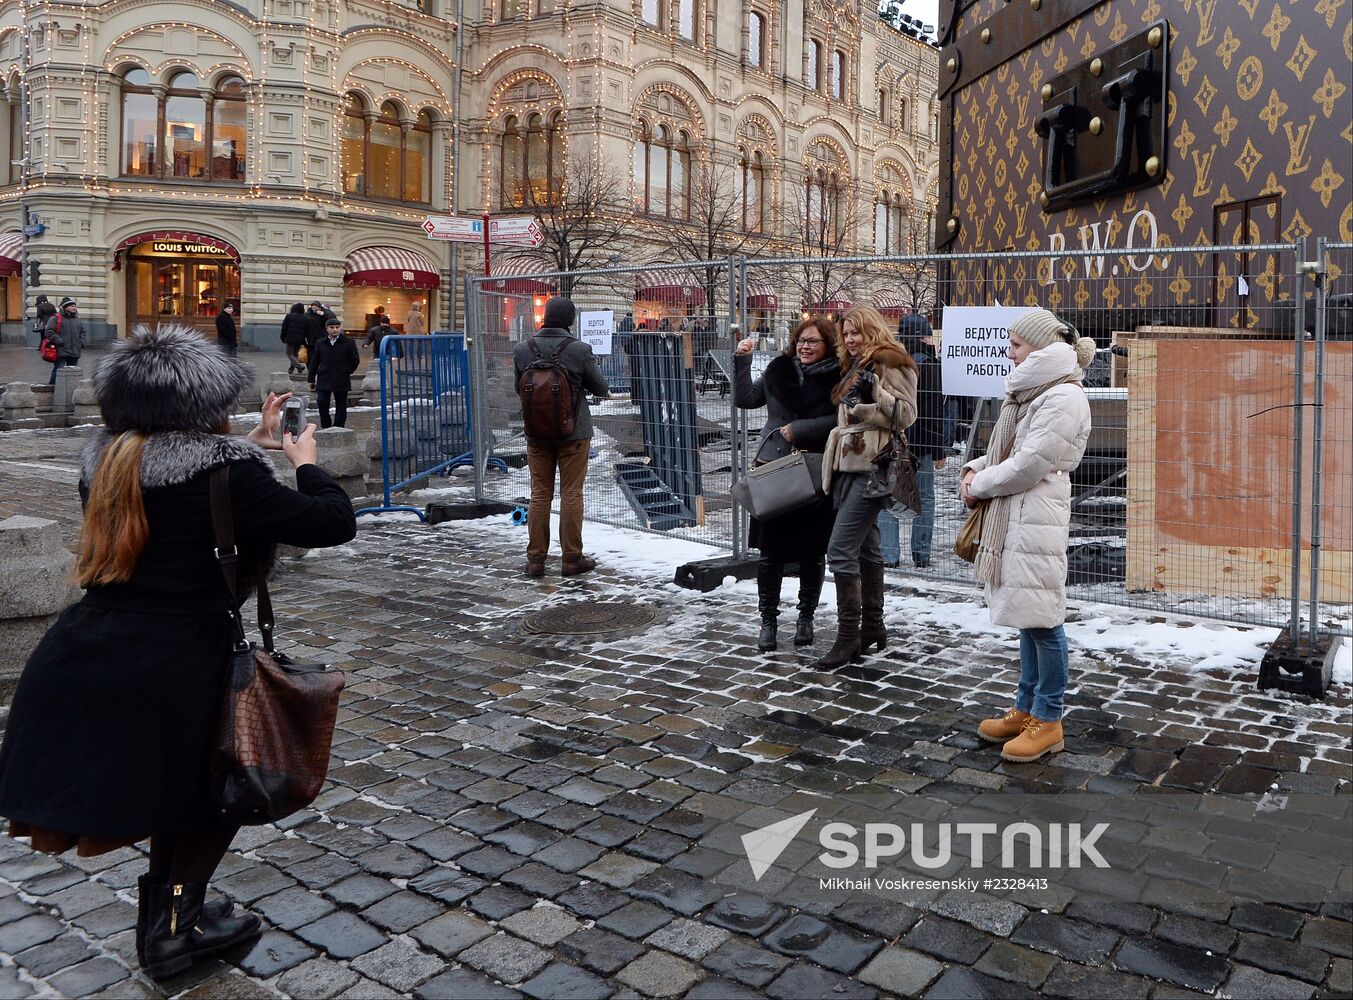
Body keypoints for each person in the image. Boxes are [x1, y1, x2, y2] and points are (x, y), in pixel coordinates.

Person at [0, 324, 356, 981]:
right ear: (204, 405)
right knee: (208, 801)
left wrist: (239, 453)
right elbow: (332, 522)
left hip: (93, 647)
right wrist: (303, 458)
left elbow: (177, 490)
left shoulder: (106, 457)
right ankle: (169, 933)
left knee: (178, 796)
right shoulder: (228, 471)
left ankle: (170, 923)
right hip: (183, 658)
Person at [962, 309, 1094, 763]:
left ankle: (1049, 718)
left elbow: (1032, 463)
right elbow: (1011, 449)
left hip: (1036, 512)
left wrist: (980, 484)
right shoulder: (1032, 391)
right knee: (1028, 613)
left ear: (1040, 347)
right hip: (1019, 511)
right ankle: (1027, 708)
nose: (1009, 352)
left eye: (1016, 344)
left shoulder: (1062, 396)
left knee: (1044, 618)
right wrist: (974, 468)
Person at [815, 306, 918, 669]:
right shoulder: (857, 364)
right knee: (867, 549)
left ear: (872, 330)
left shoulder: (891, 361)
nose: (850, 340)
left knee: (839, 549)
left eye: (856, 332)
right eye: (845, 334)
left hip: (873, 467)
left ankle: (848, 639)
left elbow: (906, 414)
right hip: (849, 465)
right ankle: (873, 627)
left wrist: (875, 396)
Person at [733, 318, 841, 650]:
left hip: (813, 475)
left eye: (814, 342)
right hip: (775, 472)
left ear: (827, 346)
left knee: (813, 553)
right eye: (801, 341)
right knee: (771, 554)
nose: (806, 346)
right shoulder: (778, 370)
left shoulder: (838, 377)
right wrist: (741, 361)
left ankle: (805, 618)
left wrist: (802, 429)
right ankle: (768, 621)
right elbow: (746, 398)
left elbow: (842, 419)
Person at [512, 296, 609, 577]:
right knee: (571, 493)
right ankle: (571, 558)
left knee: (540, 494)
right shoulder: (579, 350)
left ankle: (536, 560)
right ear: (570, 320)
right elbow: (601, 387)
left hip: (536, 433)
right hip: (574, 433)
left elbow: (520, 389)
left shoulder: (522, 349)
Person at [878, 314, 947, 568]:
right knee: (925, 498)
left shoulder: (889, 364)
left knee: (887, 496)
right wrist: (939, 449)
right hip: (924, 444)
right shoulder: (929, 365)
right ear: (924, 336)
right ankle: (921, 554)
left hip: (893, 442)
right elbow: (934, 413)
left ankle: (888, 555)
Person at [308, 316, 361, 428]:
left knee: (341, 404)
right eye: (332, 327)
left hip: (341, 378)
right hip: (324, 377)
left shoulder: (348, 342)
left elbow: (355, 360)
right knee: (322, 402)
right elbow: (315, 361)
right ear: (327, 329)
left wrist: (347, 371)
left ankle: (338, 426)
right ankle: (326, 426)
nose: (335, 329)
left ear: (340, 328)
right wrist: (311, 378)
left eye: (337, 327)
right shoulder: (321, 343)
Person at [44, 297, 87, 385]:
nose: (74, 308)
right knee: (58, 370)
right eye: (71, 306)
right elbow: (49, 331)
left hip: (75, 350)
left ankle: (72, 388)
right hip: (61, 350)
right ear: (65, 307)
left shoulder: (77, 320)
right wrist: (59, 341)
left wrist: (82, 342)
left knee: (74, 372)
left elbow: (83, 332)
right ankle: (52, 387)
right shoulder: (55, 318)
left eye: (74, 306)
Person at [280, 303, 309, 375]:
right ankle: (291, 369)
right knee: (295, 354)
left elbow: (284, 328)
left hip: (290, 338)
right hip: (300, 339)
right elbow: (307, 330)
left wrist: (282, 337)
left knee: (289, 353)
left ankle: (299, 366)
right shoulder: (305, 317)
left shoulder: (289, 316)